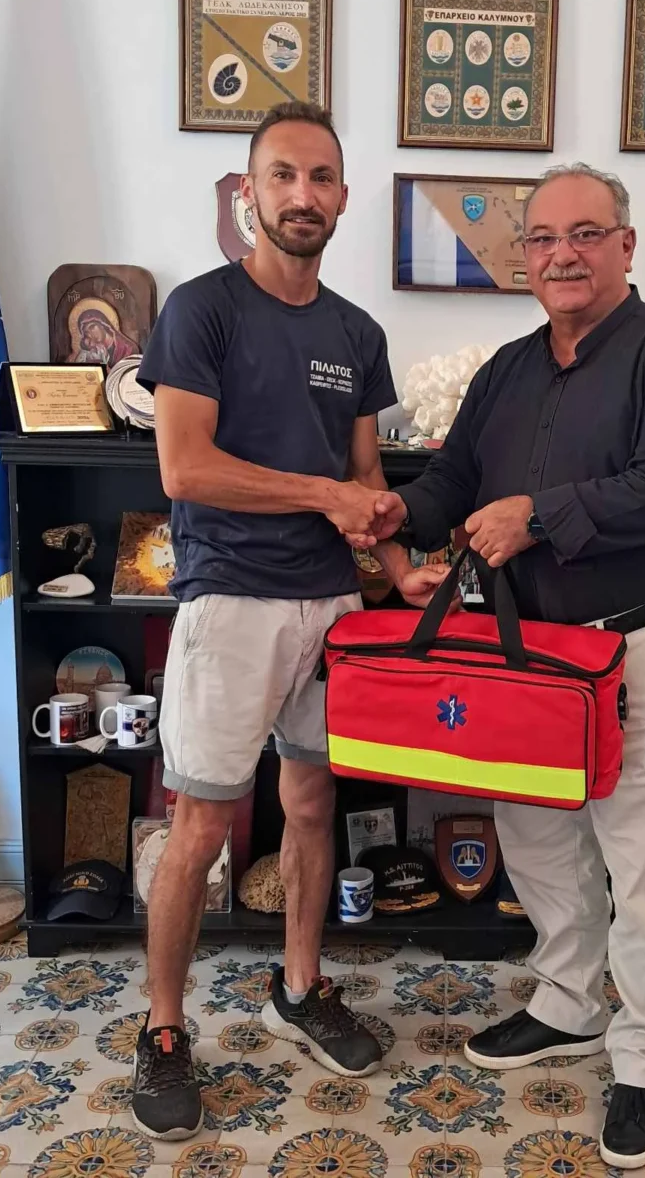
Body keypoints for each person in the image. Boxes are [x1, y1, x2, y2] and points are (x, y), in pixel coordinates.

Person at [367, 163, 645, 1168]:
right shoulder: (507, 369)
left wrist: (538, 517)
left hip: (636, 645)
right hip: (527, 652)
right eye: (542, 238)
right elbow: (454, 478)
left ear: (626, 245)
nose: (562, 254)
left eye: (584, 234)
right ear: (523, 256)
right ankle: (570, 1002)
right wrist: (402, 513)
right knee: (535, 837)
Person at [130, 101, 449, 1142]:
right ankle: (163, 1029)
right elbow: (187, 468)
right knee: (200, 828)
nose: (301, 195)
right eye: (282, 176)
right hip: (230, 600)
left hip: (331, 607)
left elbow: (364, 474)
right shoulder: (202, 311)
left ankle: (300, 986)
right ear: (249, 193)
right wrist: (326, 498)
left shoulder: (357, 333)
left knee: (311, 804)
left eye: (319, 178)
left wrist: (396, 569)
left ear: (342, 197)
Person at [69, 307, 140, 366]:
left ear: (103, 324)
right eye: (86, 332)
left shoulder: (127, 348)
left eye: (92, 327)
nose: (91, 334)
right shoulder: (92, 352)